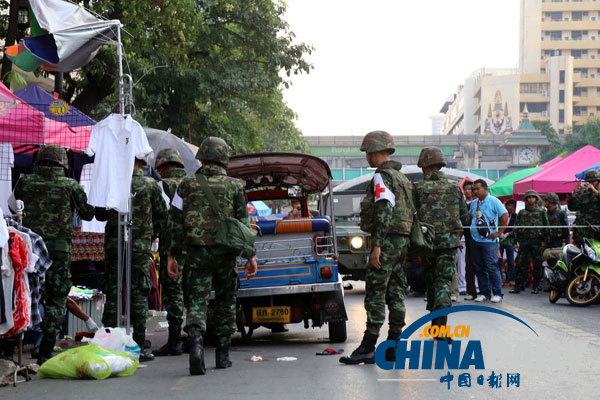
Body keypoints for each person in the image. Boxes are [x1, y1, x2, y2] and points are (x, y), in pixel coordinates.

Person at [167, 137, 257, 376]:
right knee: (226, 302)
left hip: (196, 254)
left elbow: (174, 222)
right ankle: (222, 354)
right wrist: (250, 256)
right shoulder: (236, 186)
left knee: (197, 301)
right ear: (224, 158)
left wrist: (172, 255)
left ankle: (196, 345)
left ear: (202, 157)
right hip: (225, 253)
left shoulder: (184, 185)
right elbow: (242, 225)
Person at [11, 144, 96, 364]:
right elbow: (87, 214)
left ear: (40, 161)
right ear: (63, 163)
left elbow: (12, 207)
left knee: (24, 294)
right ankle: (46, 349)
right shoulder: (71, 186)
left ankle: (13, 347)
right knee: (57, 298)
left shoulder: (25, 182)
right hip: (59, 250)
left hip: (30, 249)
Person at [339, 131, 413, 365]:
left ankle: (368, 347)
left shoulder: (382, 177)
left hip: (387, 239)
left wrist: (377, 245)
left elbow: (383, 210)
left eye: (367, 153)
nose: (367, 158)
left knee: (375, 293)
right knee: (396, 292)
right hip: (402, 241)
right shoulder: (403, 178)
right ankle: (393, 347)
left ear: (374, 152)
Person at [95, 157, 168, 362]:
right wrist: (152, 233)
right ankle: (140, 344)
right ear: (141, 162)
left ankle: (107, 341)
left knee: (114, 290)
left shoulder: (112, 183)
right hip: (139, 246)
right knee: (138, 293)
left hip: (114, 245)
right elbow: (163, 216)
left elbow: (98, 213)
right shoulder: (150, 185)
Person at [413, 147, 469, 343]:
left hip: (426, 244)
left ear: (425, 165)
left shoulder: (418, 188)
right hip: (448, 243)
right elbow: (464, 216)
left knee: (431, 281)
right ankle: (440, 327)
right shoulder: (455, 187)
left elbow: (411, 216)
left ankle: (435, 326)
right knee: (443, 282)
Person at [152, 148, 187, 357]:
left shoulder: (161, 187)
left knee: (174, 293)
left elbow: (158, 217)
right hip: (195, 248)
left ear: (164, 167)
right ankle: (195, 338)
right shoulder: (194, 184)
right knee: (193, 294)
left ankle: (175, 341)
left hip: (171, 249)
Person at [469, 179, 508, 303]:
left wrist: (499, 233)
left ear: (485, 189)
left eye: (477, 188)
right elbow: (470, 216)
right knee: (479, 267)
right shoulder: (474, 203)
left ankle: (497, 293)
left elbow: (504, 215)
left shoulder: (494, 201)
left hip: (489, 241)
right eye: (473, 189)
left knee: (491, 266)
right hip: (475, 239)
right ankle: (484, 292)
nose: (475, 191)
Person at [511, 190, 548, 294]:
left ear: (536, 199)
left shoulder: (541, 212)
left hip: (537, 242)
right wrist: (515, 242)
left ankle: (535, 286)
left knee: (537, 265)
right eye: (528, 197)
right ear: (526, 199)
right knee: (521, 264)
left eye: (533, 197)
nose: (530, 199)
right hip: (524, 242)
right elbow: (516, 227)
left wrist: (545, 241)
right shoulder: (522, 213)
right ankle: (519, 285)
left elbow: (546, 227)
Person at [568, 170, 600, 245]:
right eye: (588, 182)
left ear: (598, 181)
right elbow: (572, 207)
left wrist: (594, 191)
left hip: (596, 233)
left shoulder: (596, 192)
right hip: (581, 233)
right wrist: (574, 194)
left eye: (592, 181)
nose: (590, 184)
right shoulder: (584, 194)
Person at [462, 180, 479, 301]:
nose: (469, 191)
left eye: (471, 189)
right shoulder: (464, 204)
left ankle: (484, 290)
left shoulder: (480, 203)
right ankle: (471, 290)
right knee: (468, 265)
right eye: (466, 189)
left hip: (482, 238)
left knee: (482, 264)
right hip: (468, 237)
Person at [499, 199, 517, 286]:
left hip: (510, 240)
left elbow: (516, 229)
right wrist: (500, 232)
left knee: (511, 260)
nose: (511, 207)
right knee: (499, 259)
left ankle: (510, 279)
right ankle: (499, 279)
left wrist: (508, 233)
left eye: (513, 206)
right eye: (509, 205)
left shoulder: (515, 216)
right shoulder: (501, 215)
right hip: (500, 239)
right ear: (506, 206)